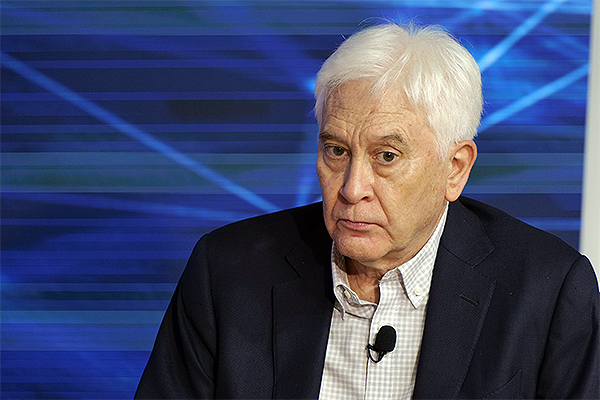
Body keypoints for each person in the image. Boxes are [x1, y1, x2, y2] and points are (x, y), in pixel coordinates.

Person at [135, 23, 599, 399]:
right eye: (337, 151)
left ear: (455, 169)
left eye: (387, 156)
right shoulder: (228, 273)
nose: (352, 188)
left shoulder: (547, 291)